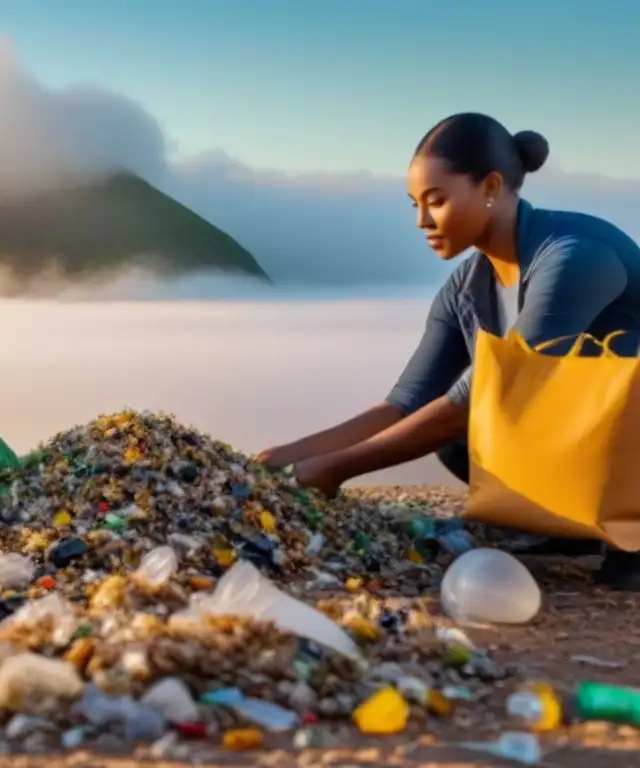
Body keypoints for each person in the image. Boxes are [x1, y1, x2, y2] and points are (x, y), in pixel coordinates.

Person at [257, 112, 640, 589]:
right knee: (456, 440)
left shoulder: (574, 256)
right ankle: (569, 529)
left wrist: (337, 467)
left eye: (436, 201)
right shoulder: (467, 285)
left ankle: (627, 537)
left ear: (491, 187)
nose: (422, 221)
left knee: (464, 418)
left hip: (626, 434)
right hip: (585, 436)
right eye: (415, 204)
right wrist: (286, 456)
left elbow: (482, 394)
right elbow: (405, 403)